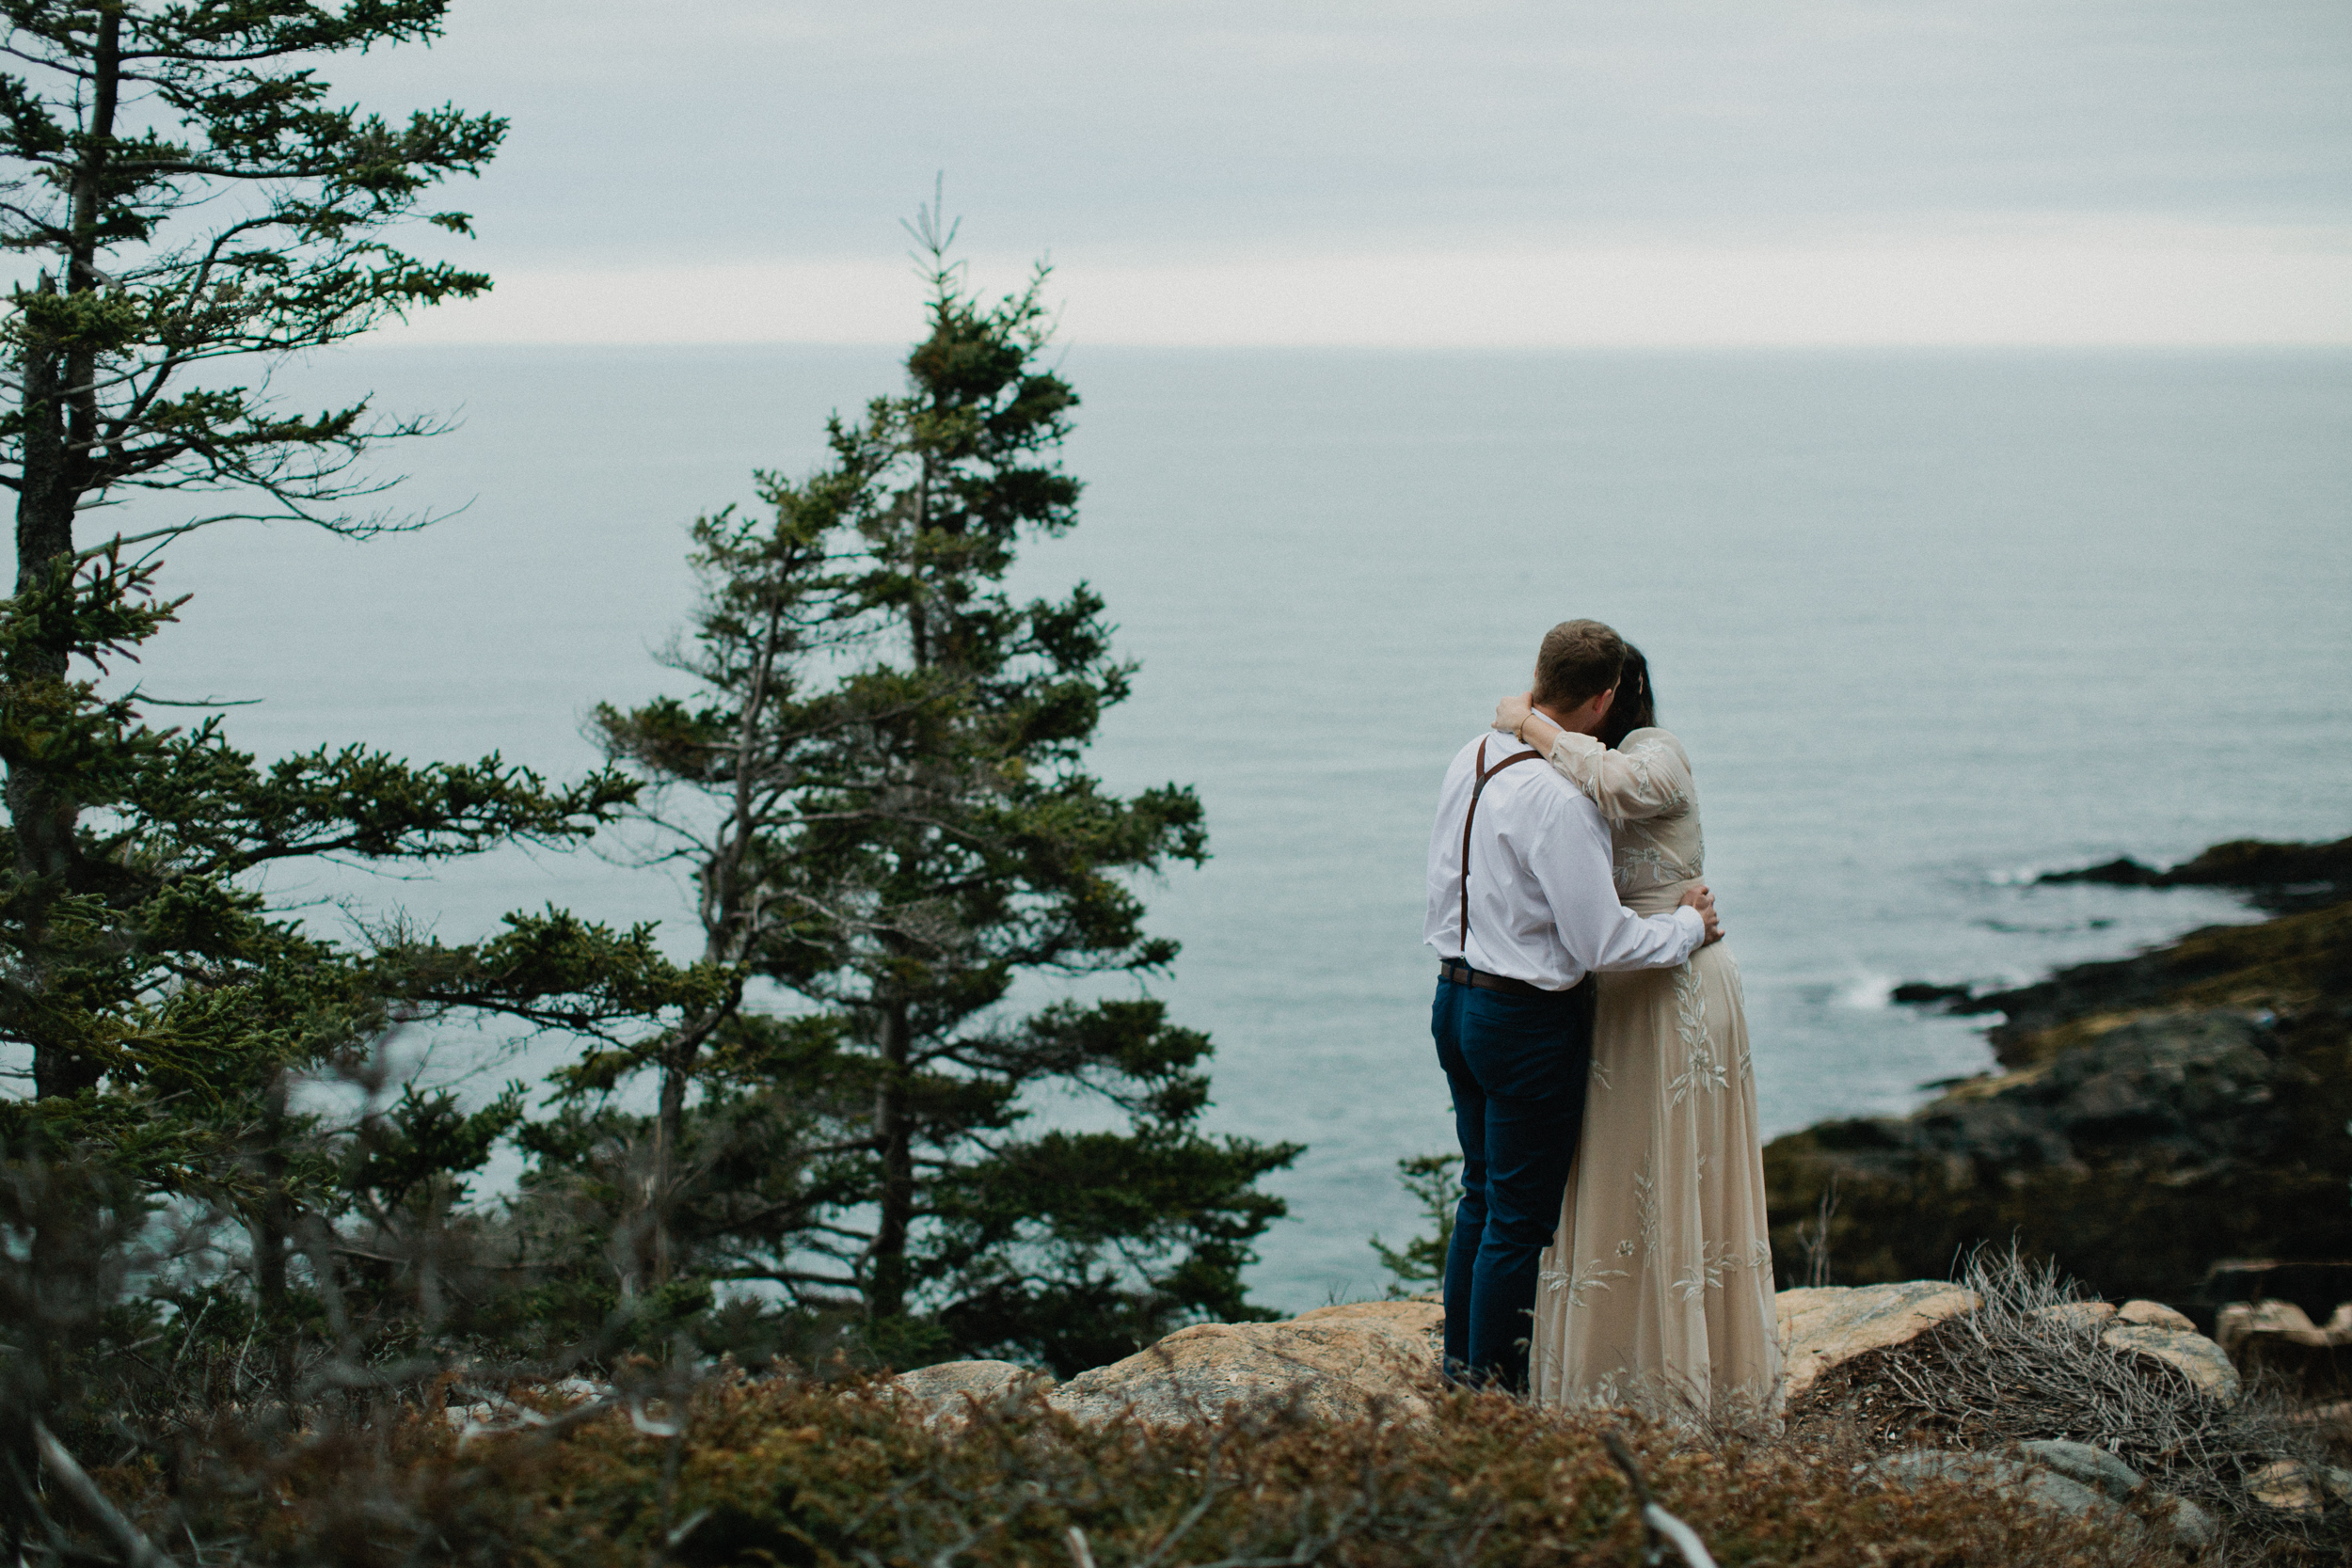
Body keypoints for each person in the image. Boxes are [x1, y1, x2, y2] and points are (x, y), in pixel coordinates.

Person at [1425, 619, 1721, 1393]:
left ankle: (1460, 1370)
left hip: (1453, 998)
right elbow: (1604, 942)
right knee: (1519, 1220)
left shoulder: (1475, 756)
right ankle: (1490, 1390)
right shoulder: (1560, 798)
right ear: (1603, 699)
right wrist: (1689, 926)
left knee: (1480, 1193)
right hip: (1522, 1020)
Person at [1493, 644, 1780, 1417]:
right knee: (1618, 1173)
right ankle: (1619, 1374)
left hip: (1680, 981)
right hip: (1616, 990)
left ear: (1619, 693)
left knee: (1686, 1166)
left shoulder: (1656, 752)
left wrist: (1530, 724)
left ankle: (1703, 1381)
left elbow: (1619, 783)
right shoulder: (1561, 770)